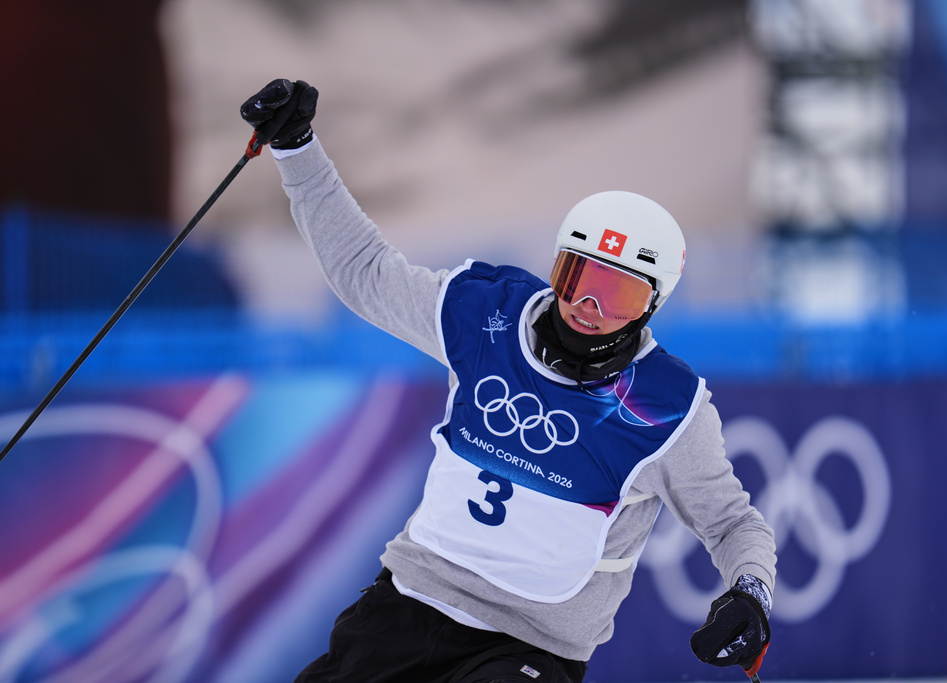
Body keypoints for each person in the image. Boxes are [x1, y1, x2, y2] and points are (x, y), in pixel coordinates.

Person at [241, 79, 776, 683]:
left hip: (530, 648)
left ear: (651, 306)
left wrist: (750, 592)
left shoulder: (665, 410)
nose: (590, 306)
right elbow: (366, 272)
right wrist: (296, 148)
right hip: (409, 606)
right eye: (579, 277)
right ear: (558, 267)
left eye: (619, 294)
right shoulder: (483, 318)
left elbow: (732, 522)